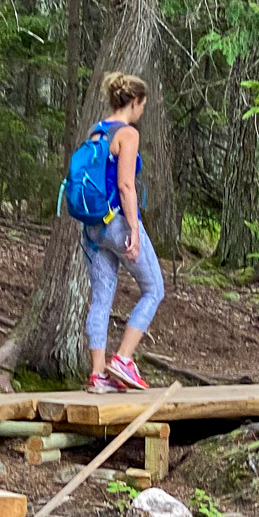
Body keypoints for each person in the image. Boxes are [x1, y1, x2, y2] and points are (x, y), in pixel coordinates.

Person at [80, 72, 165, 393]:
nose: (142, 110)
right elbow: (126, 185)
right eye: (142, 104)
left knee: (101, 299)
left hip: (92, 227)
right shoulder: (127, 134)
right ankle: (124, 359)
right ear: (133, 102)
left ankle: (98, 375)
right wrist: (134, 229)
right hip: (117, 221)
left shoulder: (96, 130)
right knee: (154, 288)